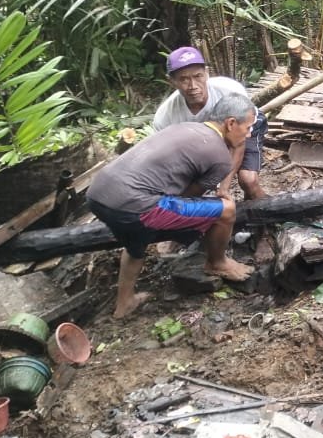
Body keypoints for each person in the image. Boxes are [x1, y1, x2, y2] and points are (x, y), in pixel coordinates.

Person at [89, 93, 258, 318]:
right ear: (230, 123)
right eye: (247, 128)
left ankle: (124, 303)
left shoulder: (184, 127)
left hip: (98, 196)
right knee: (226, 210)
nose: (249, 134)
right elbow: (188, 196)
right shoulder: (219, 156)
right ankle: (218, 262)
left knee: (136, 241)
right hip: (135, 206)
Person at [153, 46, 268, 199]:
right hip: (207, 139)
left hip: (243, 125)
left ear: (207, 73)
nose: (193, 86)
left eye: (198, 76)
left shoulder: (229, 90)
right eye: (184, 79)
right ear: (172, 81)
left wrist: (224, 189)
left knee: (248, 180)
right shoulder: (166, 116)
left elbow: (238, 143)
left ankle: (272, 211)